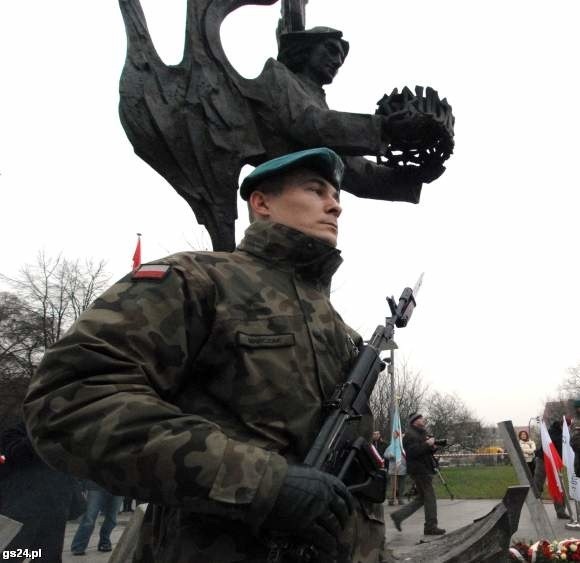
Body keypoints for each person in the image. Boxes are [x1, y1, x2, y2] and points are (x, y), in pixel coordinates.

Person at [23, 148, 387, 562]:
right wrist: (261, 482)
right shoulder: (196, 281)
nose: (335, 205)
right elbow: (70, 400)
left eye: (336, 194)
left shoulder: (337, 328)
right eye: (315, 190)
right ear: (262, 202)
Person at [248, 27, 446, 204]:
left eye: (341, 58)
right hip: (278, 203)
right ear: (306, 48)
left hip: (316, 210)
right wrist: (384, 128)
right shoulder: (277, 75)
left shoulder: (317, 100)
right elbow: (308, 124)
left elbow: (353, 170)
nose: (337, 61)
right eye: (331, 50)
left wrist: (413, 177)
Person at [0, 420, 75, 562]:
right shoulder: (15, 431)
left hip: (55, 508)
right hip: (22, 511)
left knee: (47, 556)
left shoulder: (63, 434)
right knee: (13, 555)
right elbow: (16, 453)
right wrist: (45, 433)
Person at [390, 413, 446, 536]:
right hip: (420, 470)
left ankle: (398, 516)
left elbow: (424, 451)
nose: (423, 420)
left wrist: (433, 446)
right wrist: (427, 444)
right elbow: (412, 452)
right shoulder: (410, 435)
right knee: (430, 497)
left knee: (422, 498)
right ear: (414, 421)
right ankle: (431, 526)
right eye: (420, 418)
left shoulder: (421, 433)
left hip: (424, 468)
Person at [70, 479, 123, 556]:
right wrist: (82, 486)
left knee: (112, 519)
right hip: (96, 486)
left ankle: (104, 542)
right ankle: (78, 546)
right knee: (89, 518)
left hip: (118, 488)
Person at [533, 418, 570, 519]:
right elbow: (557, 444)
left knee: (559, 485)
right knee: (537, 484)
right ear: (562, 426)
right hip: (544, 460)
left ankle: (560, 511)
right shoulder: (552, 433)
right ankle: (534, 508)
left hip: (555, 462)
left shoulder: (563, 434)